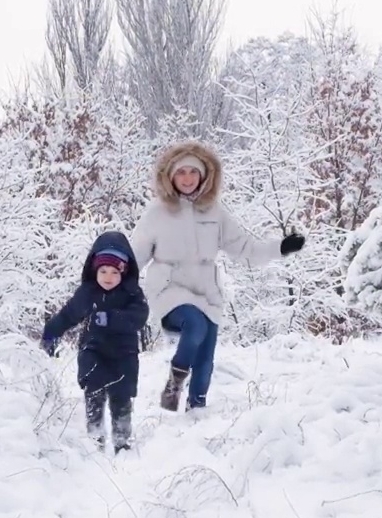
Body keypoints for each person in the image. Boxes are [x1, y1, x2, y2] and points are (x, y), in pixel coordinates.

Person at [129, 140, 305, 412]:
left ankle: (196, 409)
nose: (187, 179)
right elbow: (134, 257)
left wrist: (280, 248)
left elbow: (245, 248)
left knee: (206, 357)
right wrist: (111, 282)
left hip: (207, 292)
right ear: (170, 177)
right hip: (169, 289)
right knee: (194, 325)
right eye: (181, 173)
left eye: (193, 172)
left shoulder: (215, 212)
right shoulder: (157, 213)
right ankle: (174, 384)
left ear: (204, 176)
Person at [41, 231, 149, 452]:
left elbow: (139, 317)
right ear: (94, 270)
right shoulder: (88, 293)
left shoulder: (132, 293)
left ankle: (122, 441)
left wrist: (111, 318)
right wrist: (51, 333)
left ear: (123, 272)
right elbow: (68, 315)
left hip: (124, 355)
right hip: (93, 351)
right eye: (103, 271)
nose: (108, 277)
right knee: (94, 394)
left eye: (114, 272)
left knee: (121, 398)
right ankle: (95, 438)